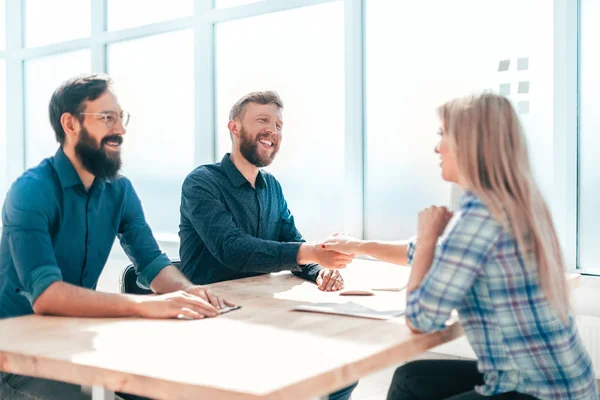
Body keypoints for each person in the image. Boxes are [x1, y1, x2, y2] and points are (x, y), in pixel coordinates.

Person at [322, 92, 598, 399]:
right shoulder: (515, 205)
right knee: (411, 380)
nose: (436, 147)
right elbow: (439, 253)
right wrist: (358, 246)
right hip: (563, 382)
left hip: (535, 392)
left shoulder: (479, 218)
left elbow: (421, 319)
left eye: (443, 135)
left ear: (470, 145)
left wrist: (427, 237)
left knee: (410, 382)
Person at [0, 74, 233, 399]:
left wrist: (194, 296)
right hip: (14, 359)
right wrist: (146, 307)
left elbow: (153, 265)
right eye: (107, 118)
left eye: (120, 118)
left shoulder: (118, 191)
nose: (120, 130)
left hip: (68, 343)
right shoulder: (30, 191)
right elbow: (47, 297)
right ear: (70, 124)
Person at [178, 91, 357, 399]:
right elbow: (234, 249)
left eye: (278, 124)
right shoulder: (202, 183)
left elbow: (292, 243)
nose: (273, 131)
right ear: (234, 128)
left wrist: (318, 270)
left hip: (260, 310)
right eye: (262, 120)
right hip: (214, 320)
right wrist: (308, 253)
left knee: (342, 369)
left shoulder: (271, 186)